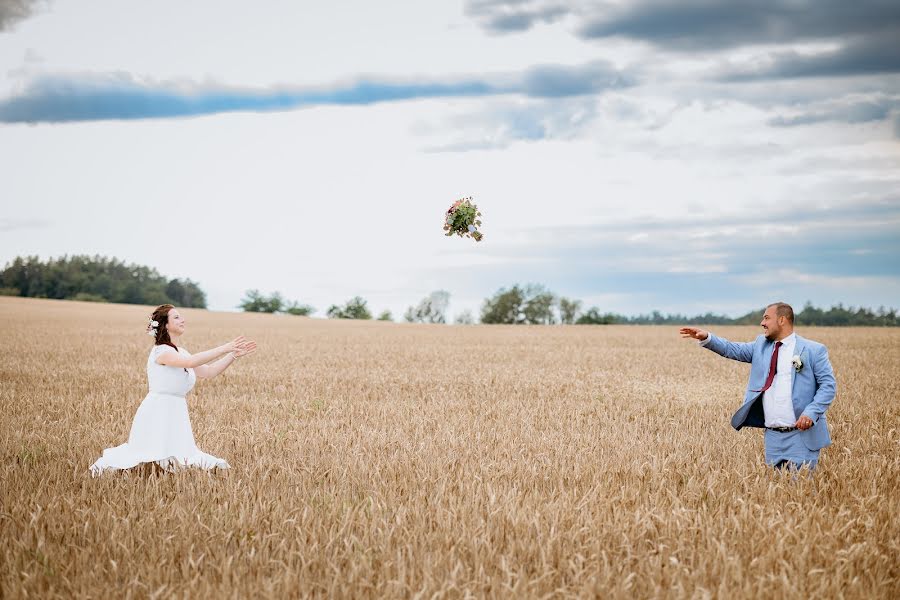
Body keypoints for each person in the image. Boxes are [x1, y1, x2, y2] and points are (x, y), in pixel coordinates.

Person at [90, 304, 257, 474]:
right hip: (158, 408)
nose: (183, 320)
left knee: (179, 454)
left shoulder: (181, 351)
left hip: (176, 409)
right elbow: (191, 363)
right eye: (176, 317)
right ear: (165, 325)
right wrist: (224, 347)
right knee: (145, 452)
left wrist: (232, 355)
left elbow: (208, 372)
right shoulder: (161, 351)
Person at [680, 302, 836, 470]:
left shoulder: (813, 350)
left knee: (802, 491)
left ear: (782, 320)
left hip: (802, 437)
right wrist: (707, 338)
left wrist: (811, 413)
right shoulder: (761, 346)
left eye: (767, 318)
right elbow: (733, 349)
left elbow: (828, 386)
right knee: (774, 492)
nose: (762, 323)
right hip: (772, 438)